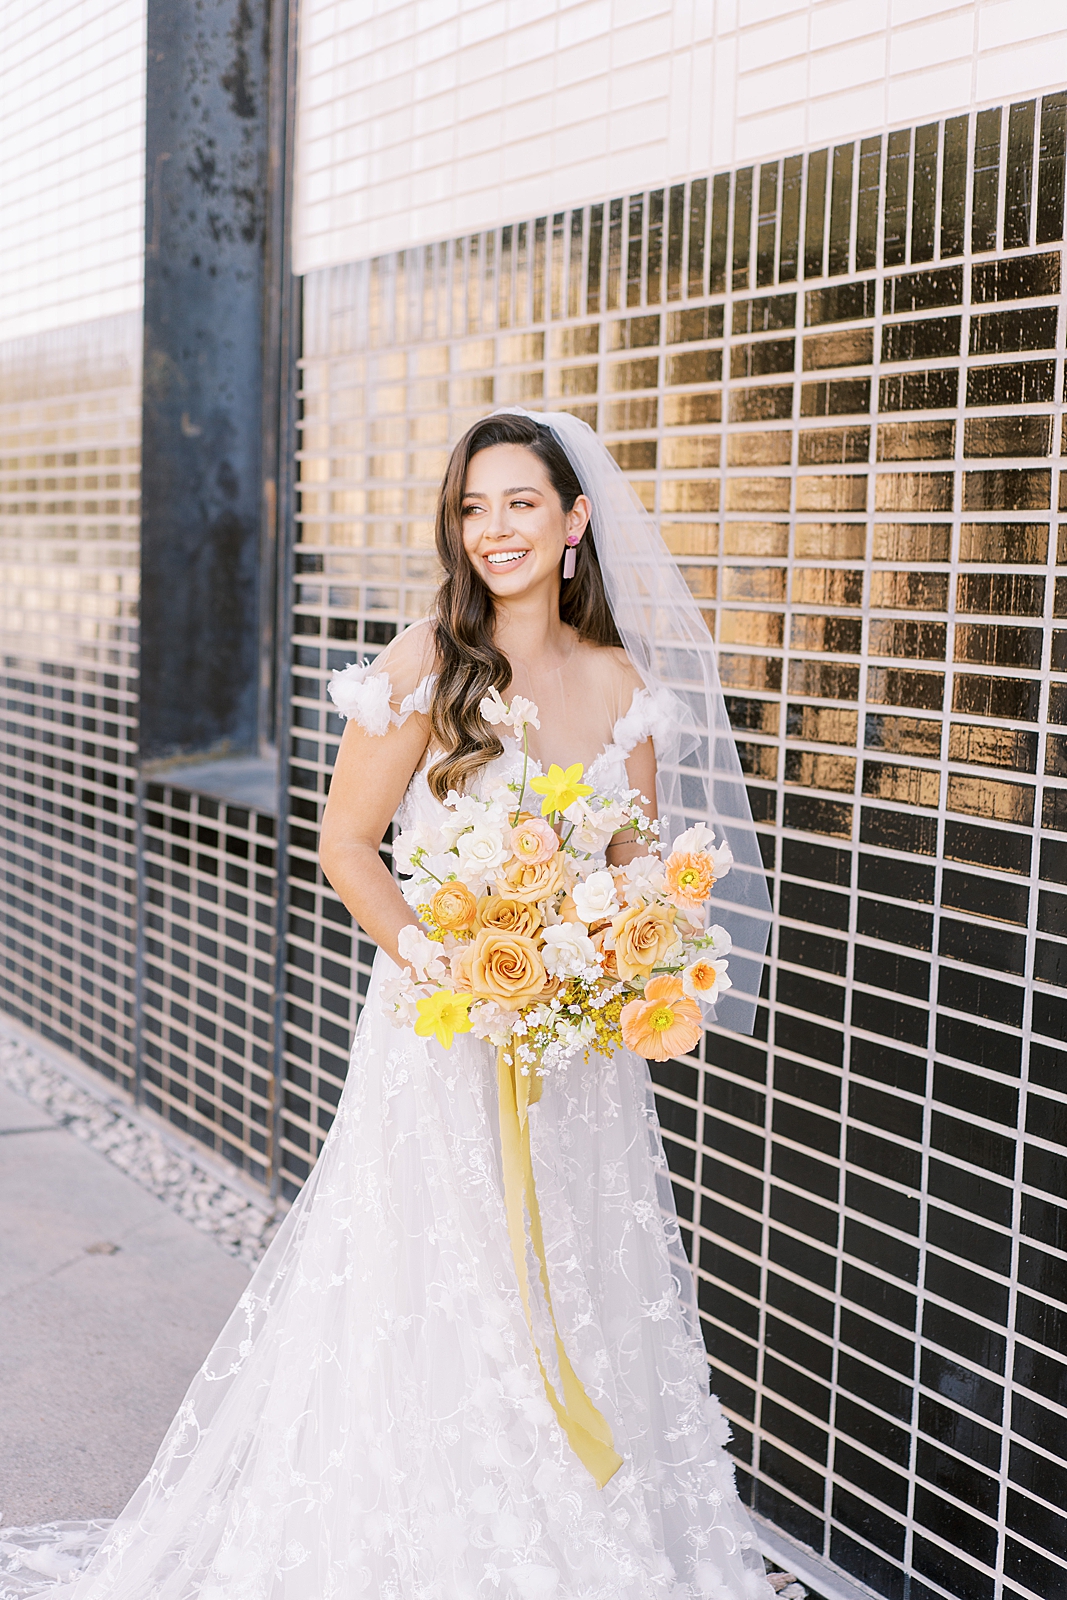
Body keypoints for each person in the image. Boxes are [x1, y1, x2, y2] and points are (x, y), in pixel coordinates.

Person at [0, 410, 773, 1600]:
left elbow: (635, 857)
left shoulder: (621, 682)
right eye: (472, 507)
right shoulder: (427, 663)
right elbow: (348, 845)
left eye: (520, 502)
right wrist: (447, 959)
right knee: (443, 1282)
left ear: (573, 520)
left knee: (574, 1276)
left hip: (570, 1053)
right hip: (445, 1031)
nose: (494, 529)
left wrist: (616, 945)